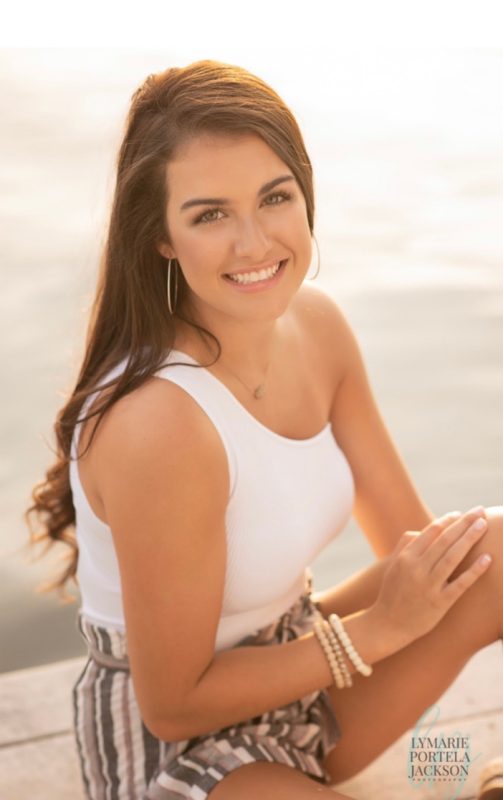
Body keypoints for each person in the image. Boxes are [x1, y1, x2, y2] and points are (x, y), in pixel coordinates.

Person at [25, 59, 503, 800]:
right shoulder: (159, 422)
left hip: (302, 669)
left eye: (274, 198)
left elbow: (416, 554)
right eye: (210, 214)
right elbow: (172, 701)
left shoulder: (318, 325)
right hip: (177, 748)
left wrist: (426, 610)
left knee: (489, 551)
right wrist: (375, 633)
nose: (253, 244)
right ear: (160, 236)